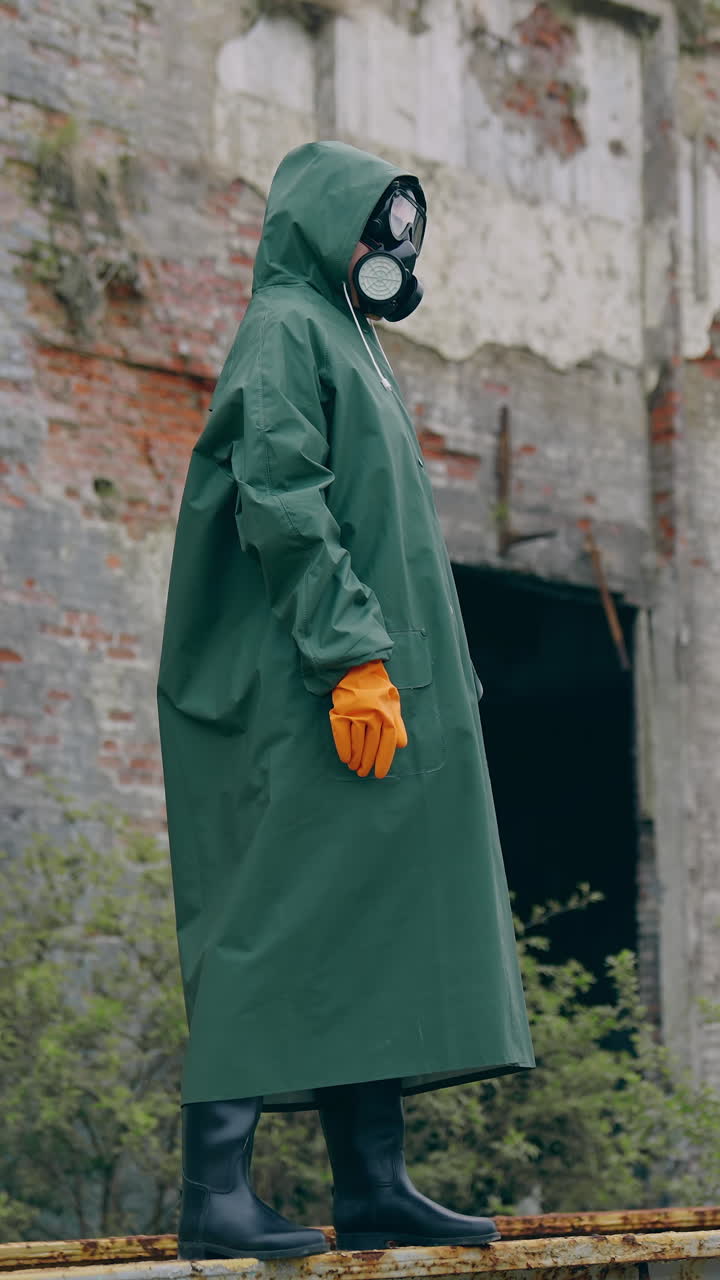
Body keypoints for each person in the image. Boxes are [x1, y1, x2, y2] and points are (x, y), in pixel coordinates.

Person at [157, 140, 534, 1262]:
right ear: (324, 225)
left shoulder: (353, 337)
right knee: (275, 910)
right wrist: (350, 657)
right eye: (375, 229)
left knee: (364, 917)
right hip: (314, 687)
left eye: (402, 235)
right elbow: (280, 498)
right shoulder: (285, 328)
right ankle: (213, 1189)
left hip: (374, 689)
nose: (387, 252)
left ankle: (373, 1181)